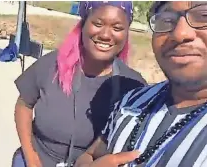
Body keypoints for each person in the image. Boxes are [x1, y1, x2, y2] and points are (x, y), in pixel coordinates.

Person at [13, 1, 147, 167]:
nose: (106, 34)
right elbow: (23, 105)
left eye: (117, 28)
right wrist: (31, 157)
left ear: (127, 33)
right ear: (83, 24)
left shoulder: (133, 86)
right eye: (98, 24)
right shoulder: (51, 64)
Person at [74, 1, 207, 167]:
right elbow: (89, 155)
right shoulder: (131, 101)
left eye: (204, 16)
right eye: (167, 20)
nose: (179, 33)